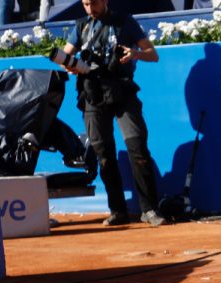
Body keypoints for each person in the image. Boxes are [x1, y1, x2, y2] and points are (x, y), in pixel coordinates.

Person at [61, 0, 166, 227]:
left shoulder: (124, 22)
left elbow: (152, 54)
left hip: (122, 92)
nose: (91, 8)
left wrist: (135, 54)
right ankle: (117, 210)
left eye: (95, 3)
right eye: (86, 4)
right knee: (104, 155)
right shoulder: (81, 27)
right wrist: (70, 64)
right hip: (92, 95)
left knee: (137, 148)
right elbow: (65, 56)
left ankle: (149, 209)